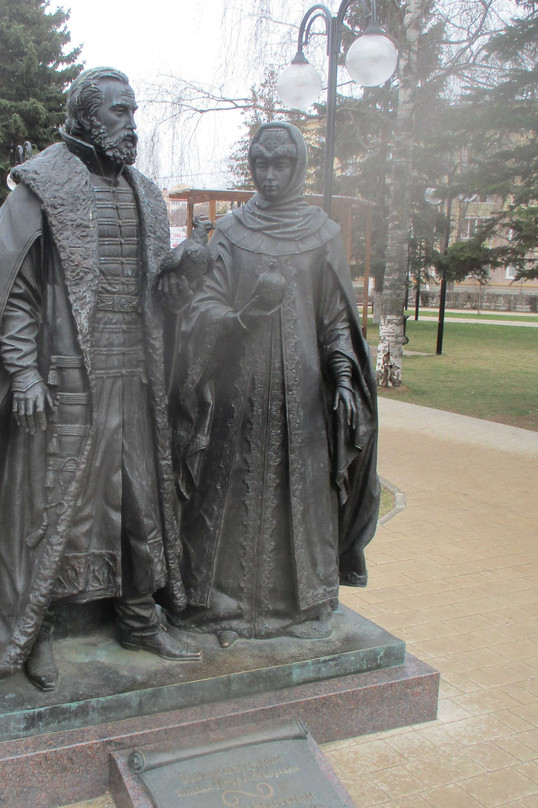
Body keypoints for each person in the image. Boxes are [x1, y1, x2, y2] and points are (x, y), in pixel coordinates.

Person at [0, 66, 199, 692]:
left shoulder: (144, 192)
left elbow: (152, 289)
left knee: (139, 501)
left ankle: (139, 615)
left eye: (132, 111)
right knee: (56, 511)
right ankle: (36, 632)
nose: (129, 123)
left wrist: (183, 271)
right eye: (118, 111)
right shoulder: (41, 187)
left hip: (134, 376)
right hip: (65, 382)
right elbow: (14, 295)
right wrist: (24, 373)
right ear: (86, 116)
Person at [167, 122, 379, 648]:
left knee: (298, 496)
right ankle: (219, 605)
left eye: (280, 164)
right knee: (227, 495)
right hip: (236, 399)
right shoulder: (232, 233)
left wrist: (346, 379)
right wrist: (242, 313)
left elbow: (335, 320)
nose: (269, 174)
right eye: (260, 163)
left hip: (301, 401)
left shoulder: (322, 234)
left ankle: (298, 606)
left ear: (299, 166)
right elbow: (202, 307)